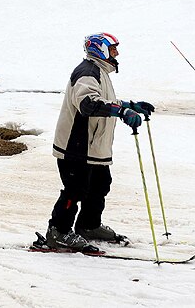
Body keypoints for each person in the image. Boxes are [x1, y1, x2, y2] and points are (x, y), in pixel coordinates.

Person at [43, 32, 155, 250]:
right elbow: (88, 104)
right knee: (75, 189)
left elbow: (104, 101)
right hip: (76, 145)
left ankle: (88, 226)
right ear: (100, 50)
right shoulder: (87, 72)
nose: (117, 53)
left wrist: (129, 105)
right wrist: (120, 111)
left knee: (100, 185)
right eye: (113, 49)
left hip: (94, 146)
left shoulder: (99, 72)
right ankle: (58, 231)